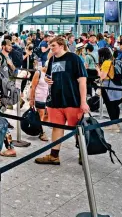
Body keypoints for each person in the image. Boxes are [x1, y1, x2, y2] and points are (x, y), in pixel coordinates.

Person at [35, 37, 89, 165]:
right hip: (55, 100)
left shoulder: (74, 58)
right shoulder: (52, 59)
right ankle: (54, 155)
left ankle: (82, 153)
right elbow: (49, 76)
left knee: (77, 129)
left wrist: (83, 101)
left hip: (72, 100)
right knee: (56, 127)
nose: (51, 48)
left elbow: (82, 81)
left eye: (53, 45)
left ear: (61, 46)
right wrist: (48, 80)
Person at [96, 48, 122, 132]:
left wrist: (98, 69)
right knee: (115, 105)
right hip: (116, 85)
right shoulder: (113, 60)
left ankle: (114, 126)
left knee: (110, 106)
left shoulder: (106, 62)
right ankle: (116, 123)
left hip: (108, 86)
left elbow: (102, 76)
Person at [29, 64, 49, 141]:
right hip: (39, 97)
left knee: (45, 116)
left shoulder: (50, 74)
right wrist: (31, 99)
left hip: (47, 98)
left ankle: (38, 130)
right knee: (40, 116)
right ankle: (41, 133)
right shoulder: (38, 73)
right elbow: (33, 87)